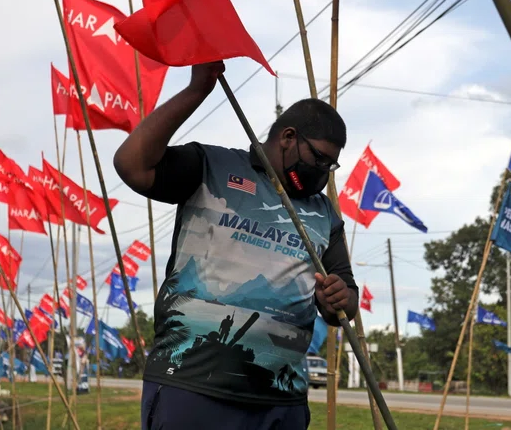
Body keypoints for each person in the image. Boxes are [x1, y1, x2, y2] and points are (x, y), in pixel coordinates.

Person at [113, 61, 359, 430]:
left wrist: (339, 298)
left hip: (281, 402)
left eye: (331, 165)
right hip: (192, 387)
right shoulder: (212, 166)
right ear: (288, 137)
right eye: (318, 158)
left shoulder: (325, 215)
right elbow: (132, 165)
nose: (323, 173)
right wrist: (197, 91)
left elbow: (346, 300)